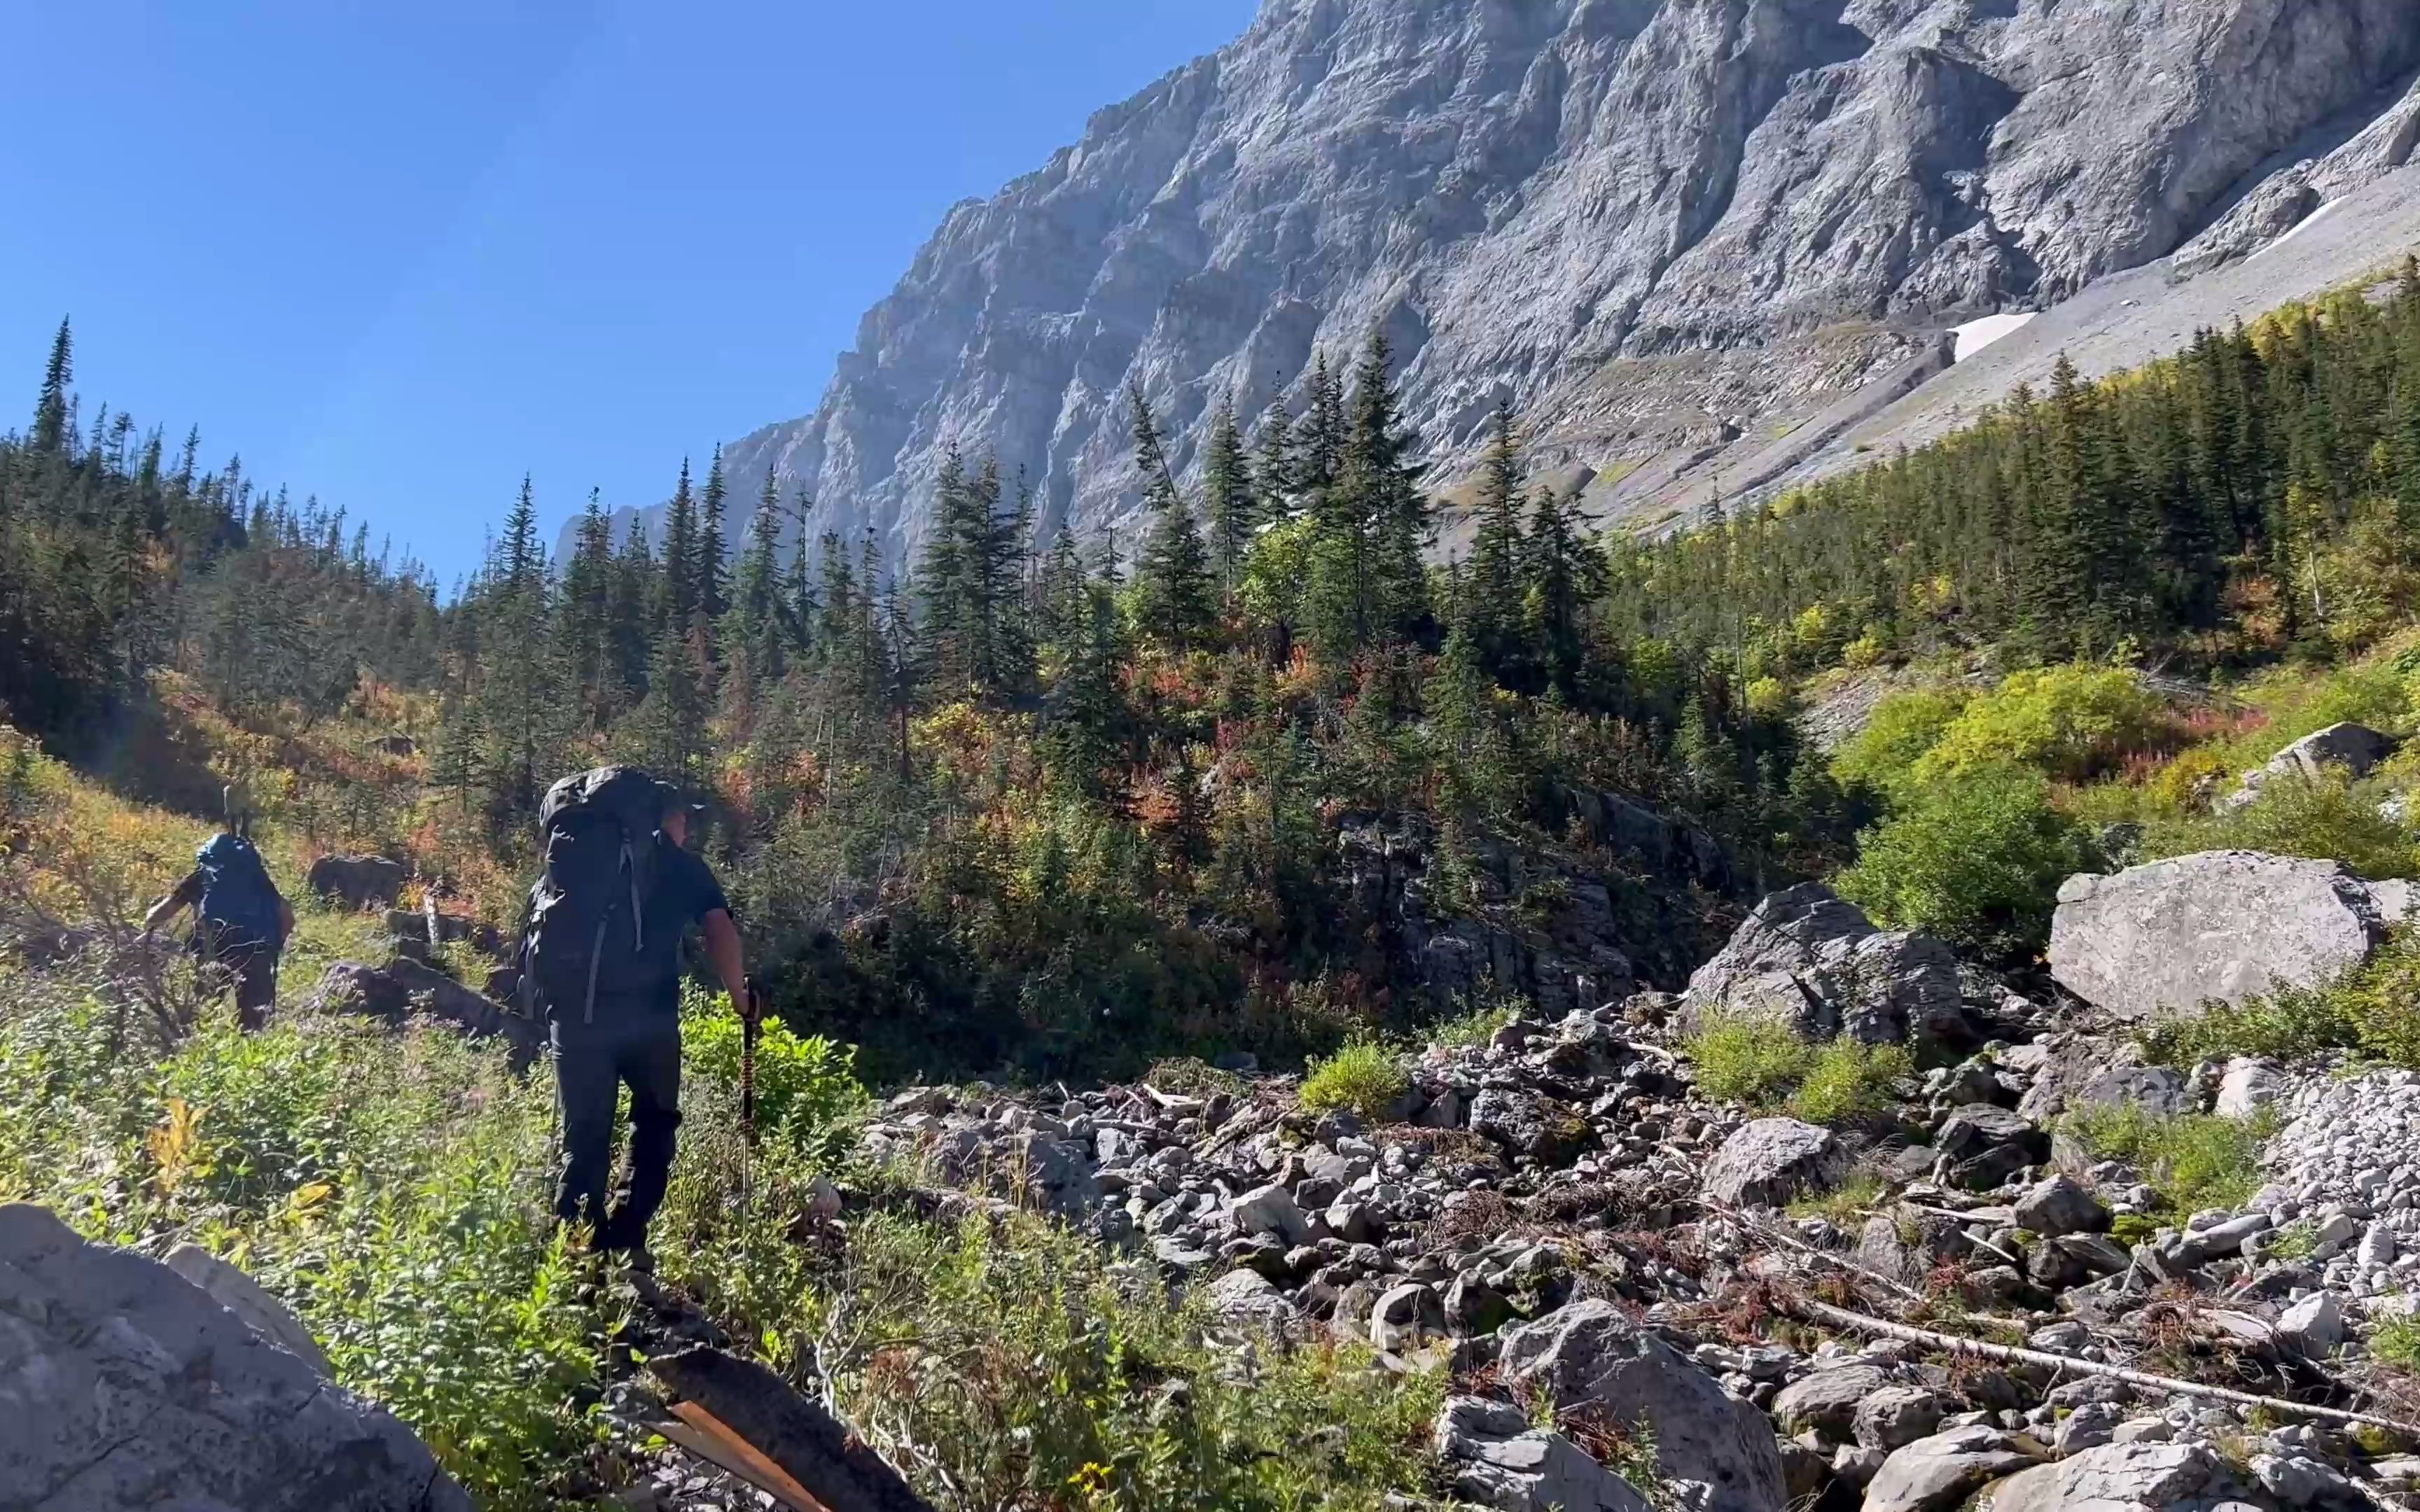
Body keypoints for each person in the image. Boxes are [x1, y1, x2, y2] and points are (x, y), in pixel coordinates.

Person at [543, 778, 749, 1271]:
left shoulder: (574, 864)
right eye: (683, 816)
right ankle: (627, 1240)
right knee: (654, 1125)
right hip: (649, 1024)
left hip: (576, 1018)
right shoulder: (680, 866)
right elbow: (719, 929)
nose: (687, 826)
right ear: (665, 817)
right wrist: (741, 999)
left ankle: (576, 1260)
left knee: (584, 1136)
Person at [142, 789, 294, 1032]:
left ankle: (195, 1049)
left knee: (201, 1020)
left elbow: (162, 913)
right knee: (255, 1027)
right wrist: (274, 944)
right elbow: (287, 915)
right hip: (256, 953)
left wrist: (149, 917)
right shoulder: (256, 878)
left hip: (213, 951)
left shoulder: (204, 876)